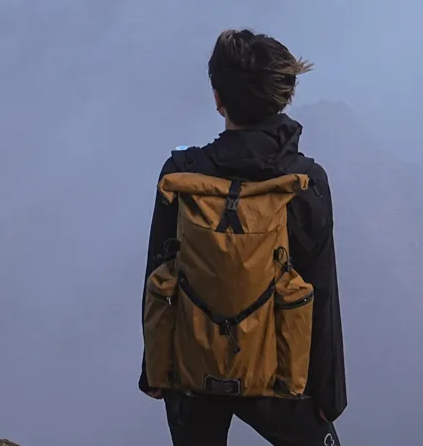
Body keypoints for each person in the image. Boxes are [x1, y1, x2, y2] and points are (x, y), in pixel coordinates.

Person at [141, 29, 345, 446]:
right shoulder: (305, 182)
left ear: (218, 99)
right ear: (284, 98)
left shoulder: (181, 174)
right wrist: (328, 395)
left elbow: (158, 274)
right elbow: (321, 288)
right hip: (280, 375)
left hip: (191, 373)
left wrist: (155, 368)